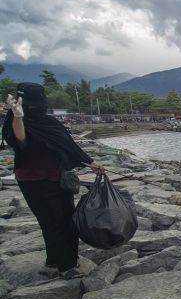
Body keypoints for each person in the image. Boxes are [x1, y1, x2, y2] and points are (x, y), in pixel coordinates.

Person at [1, 83, 105, 279]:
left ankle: (55, 260)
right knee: (52, 222)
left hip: (59, 178)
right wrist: (17, 116)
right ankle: (66, 268)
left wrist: (91, 163)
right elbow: (20, 142)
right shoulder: (15, 121)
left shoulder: (49, 122)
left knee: (69, 219)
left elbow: (69, 146)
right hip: (34, 181)